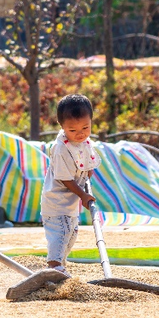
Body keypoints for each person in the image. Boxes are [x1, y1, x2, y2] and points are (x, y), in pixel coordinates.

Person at [41, 94, 100, 276]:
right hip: (57, 202)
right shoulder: (61, 149)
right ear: (62, 127)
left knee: (71, 234)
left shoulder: (84, 143)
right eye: (73, 130)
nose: (80, 133)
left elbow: (87, 165)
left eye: (85, 127)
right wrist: (83, 195)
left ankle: (59, 266)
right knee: (61, 233)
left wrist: (88, 171)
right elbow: (66, 179)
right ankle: (54, 265)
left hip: (70, 204)